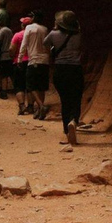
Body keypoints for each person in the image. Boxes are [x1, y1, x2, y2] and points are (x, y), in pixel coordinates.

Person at [44, 10, 83, 145]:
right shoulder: (78, 35)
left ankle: (67, 132)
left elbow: (45, 45)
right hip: (75, 69)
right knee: (76, 98)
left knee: (65, 101)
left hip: (60, 69)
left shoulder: (53, 34)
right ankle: (74, 120)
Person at [18, 10, 50, 120]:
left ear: (35, 18)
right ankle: (40, 111)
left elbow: (24, 44)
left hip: (34, 60)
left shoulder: (29, 28)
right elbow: (47, 46)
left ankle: (41, 106)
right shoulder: (45, 29)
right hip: (44, 60)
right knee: (42, 86)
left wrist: (20, 59)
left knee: (31, 85)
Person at [10, 16, 34, 115]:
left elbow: (12, 49)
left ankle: (22, 106)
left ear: (22, 25)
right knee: (30, 86)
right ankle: (31, 107)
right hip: (31, 61)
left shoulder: (18, 35)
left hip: (19, 62)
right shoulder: (34, 35)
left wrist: (12, 56)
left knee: (19, 85)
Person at [0, 22, 14, 99]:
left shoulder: (2, 30)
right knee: (11, 74)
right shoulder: (9, 30)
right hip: (11, 55)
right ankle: (16, 89)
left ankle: (4, 92)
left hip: (5, 55)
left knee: (4, 75)